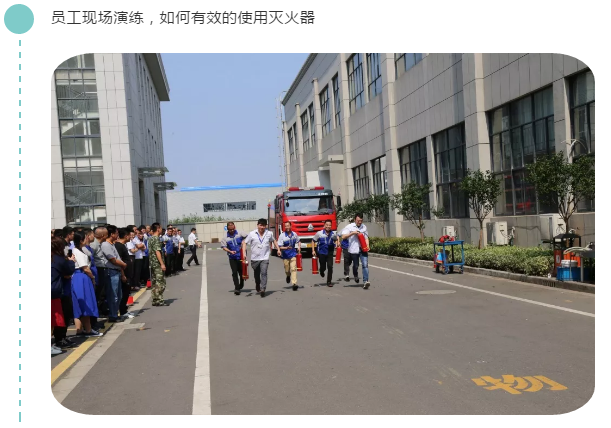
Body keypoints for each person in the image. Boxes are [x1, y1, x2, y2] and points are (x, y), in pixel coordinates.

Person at [70, 232, 103, 337]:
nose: (87, 239)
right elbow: (85, 268)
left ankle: (80, 330)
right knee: (86, 303)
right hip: (82, 277)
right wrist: (92, 278)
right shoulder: (78, 252)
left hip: (78, 277)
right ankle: (88, 330)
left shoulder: (78, 250)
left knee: (79, 304)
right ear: (81, 240)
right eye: (85, 237)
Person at [242, 218, 280, 298]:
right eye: (260, 225)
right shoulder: (252, 234)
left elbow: (274, 240)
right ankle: (257, 283)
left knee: (264, 272)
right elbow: (244, 243)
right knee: (257, 274)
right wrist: (244, 254)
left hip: (265, 257)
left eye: (264, 225)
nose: (262, 227)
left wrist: (278, 249)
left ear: (266, 226)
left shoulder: (269, 233)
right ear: (257, 225)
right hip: (255, 258)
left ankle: (263, 289)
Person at [52, 237, 75, 354]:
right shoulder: (58, 259)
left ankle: (58, 340)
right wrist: (71, 261)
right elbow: (68, 270)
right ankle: (59, 340)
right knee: (55, 318)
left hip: (55, 291)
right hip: (55, 292)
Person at [101, 225, 127, 321]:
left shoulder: (112, 244)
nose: (117, 235)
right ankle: (113, 315)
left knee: (118, 295)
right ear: (112, 234)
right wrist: (123, 264)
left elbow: (117, 259)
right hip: (111, 272)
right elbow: (113, 259)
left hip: (117, 271)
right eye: (116, 233)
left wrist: (122, 273)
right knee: (113, 296)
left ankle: (115, 313)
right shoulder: (105, 245)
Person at [341, 214, 371, 289]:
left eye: (361, 220)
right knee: (356, 265)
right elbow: (343, 236)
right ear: (355, 220)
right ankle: (355, 274)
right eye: (358, 220)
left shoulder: (364, 227)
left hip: (363, 249)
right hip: (353, 249)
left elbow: (366, 238)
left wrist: (367, 245)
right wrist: (352, 233)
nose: (359, 222)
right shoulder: (349, 227)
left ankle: (365, 281)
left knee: (365, 264)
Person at [220, 222, 248, 295]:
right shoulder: (225, 237)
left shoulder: (240, 233)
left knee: (241, 272)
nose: (232, 231)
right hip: (232, 257)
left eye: (233, 229)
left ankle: (241, 283)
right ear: (227, 229)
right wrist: (229, 251)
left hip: (241, 256)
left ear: (234, 227)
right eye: (230, 230)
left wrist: (244, 243)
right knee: (234, 272)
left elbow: (248, 238)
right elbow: (224, 247)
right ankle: (237, 288)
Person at [313, 220, 340, 287]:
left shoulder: (333, 234)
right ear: (324, 225)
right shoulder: (319, 233)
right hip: (321, 252)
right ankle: (321, 271)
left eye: (329, 225)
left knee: (330, 266)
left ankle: (329, 281)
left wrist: (337, 244)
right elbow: (313, 241)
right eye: (327, 225)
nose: (328, 226)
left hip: (330, 252)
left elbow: (336, 240)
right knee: (323, 266)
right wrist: (313, 250)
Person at [115, 228, 135, 320]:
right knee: (124, 293)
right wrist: (123, 274)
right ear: (126, 236)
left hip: (127, 273)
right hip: (124, 274)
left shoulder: (123, 245)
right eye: (130, 236)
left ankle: (124, 310)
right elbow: (119, 261)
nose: (131, 237)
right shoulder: (119, 246)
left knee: (126, 292)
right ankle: (122, 311)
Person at [277, 221, 300, 291]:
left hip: (293, 254)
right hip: (285, 256)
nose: (287, 227)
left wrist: (299, 247)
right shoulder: (282, 236)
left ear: (290, 226)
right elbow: (280, 246)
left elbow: (298, 241)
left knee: (293, 268)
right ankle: (288, 275)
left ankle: (294, 284)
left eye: (288, 226)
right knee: (287, 270)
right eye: (286, 226)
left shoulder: (294, 234)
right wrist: (286, 248)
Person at [148, 223, 167, 306]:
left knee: (155, 282)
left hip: (152, 263)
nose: (161, 230)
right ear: (158, 229)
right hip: (157, 264)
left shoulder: (150, 238)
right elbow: (157, 252)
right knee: (160, 282)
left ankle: (155, 299)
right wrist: (162, 264)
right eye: (161, 228)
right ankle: (159, 300)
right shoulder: (156, 239)